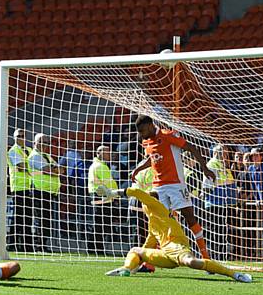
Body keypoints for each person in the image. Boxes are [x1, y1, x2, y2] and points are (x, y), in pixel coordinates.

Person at [99, 185, 251, 282]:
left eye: (144, 202)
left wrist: (113, 192)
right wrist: (137, 263)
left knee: (192, 263)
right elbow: (149, 244)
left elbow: (136, 191)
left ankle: (234, 274)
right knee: (135, 250)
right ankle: (125, 270)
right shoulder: (153, 221)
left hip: (177, 247)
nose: (143, 205)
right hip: (166, 255)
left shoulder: (157, 207)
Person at [131, 115, 216, 259]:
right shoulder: (147, 142)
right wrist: (137, 169)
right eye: (140, 132)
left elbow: (191, 148)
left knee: (189, 218)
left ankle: (205, 255)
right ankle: (151, 262)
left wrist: (205, 168)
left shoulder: (168, 135)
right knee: (158, 222)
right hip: (158, 187)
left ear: (151, 126)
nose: (142, 135)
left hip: (176, 184)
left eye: (143, 131)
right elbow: (151, 159)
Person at [27, 133, 62, 252]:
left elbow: (61, 169)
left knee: (46, 219)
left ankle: (43, 244)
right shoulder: (35, 156)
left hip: (48, 191)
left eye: (46, 142)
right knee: (40, 219)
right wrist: (54, 170)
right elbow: (49, 171)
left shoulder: (46, 156)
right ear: (35, 143)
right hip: (39, 191)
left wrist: (55, 170)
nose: (44, 145)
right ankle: (39, 245)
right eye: (41, 142)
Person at [203, 144, 237, 261]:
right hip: (214, 204)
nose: (226, 155)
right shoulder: (211, 165)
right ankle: (215, 257)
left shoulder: (224, 166)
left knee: (223, 231)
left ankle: (222, 256)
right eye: (224, 153)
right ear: (217, 153)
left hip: (224, 204)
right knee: (216, 232)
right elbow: (207, 186)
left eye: (226, 153)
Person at [88, 145, 119, 254]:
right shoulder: (100, 166)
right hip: (101, 197)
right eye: (107, 152)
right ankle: (96, 249)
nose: (110, 154)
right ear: (99, 153)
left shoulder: (96, 165)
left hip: (98, 196)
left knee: (99, 224)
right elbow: (109, 183)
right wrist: (118, 194)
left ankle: (95, 248)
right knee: (101, 224)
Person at [7, 129, 33, 252]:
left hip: (29, 186)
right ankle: (13, 243)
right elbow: (21, 166)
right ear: (14, 138)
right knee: (18, 216)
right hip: (18, 187)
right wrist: (33, 168)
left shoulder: (29, 150)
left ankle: (27, 245)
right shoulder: (13, 151)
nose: (20, 138)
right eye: (18, 136)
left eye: (22, 136)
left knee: (27, 217)